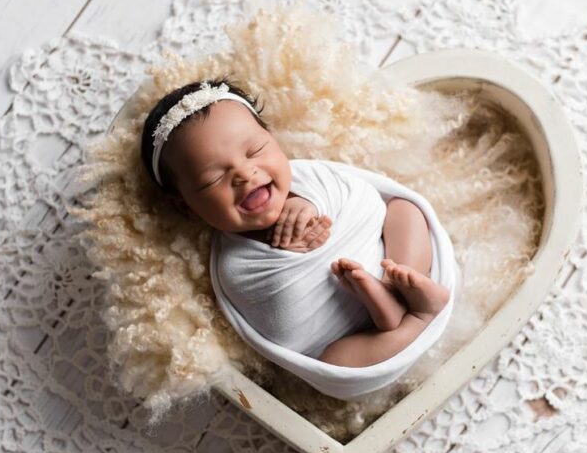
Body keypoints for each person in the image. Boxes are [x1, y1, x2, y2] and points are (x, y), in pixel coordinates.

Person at [140, 77, 450, 368]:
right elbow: (280, 325)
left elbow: (359, 197)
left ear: (272, 139)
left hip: (385, 261)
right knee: (335, 360)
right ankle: (419, 317)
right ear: (186, 206)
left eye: (255, 150)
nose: (245, 174)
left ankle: (394, 286)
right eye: (214, 178)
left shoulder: (309, 178)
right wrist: (289, 254)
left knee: (404, 210)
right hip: (351, 334)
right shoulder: (235, 266)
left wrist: (311, 202)